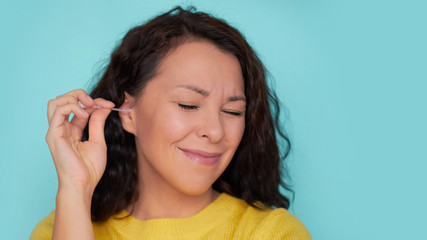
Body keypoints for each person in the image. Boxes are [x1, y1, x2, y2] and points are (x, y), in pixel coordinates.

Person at [31, 6, 311, 240]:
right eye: (188, 105)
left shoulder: (272, 233)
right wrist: (75, 188)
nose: (215, 132)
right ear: (128, 113)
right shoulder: (61, 227)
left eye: (233, 112)